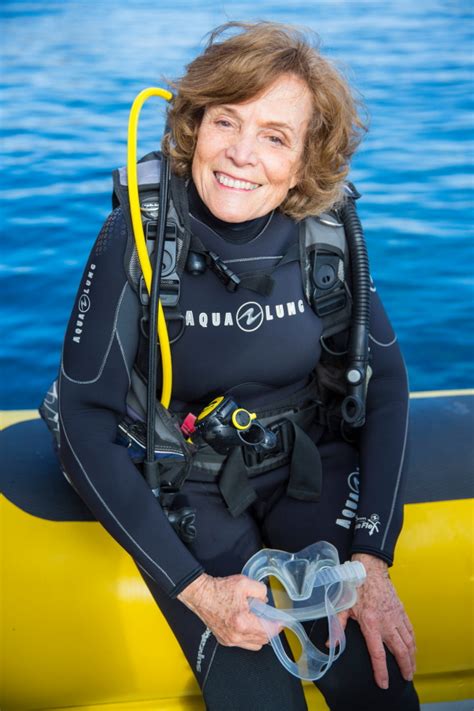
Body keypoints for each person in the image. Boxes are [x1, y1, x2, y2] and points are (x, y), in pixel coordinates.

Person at [54, 21, 419, 711]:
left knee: (376, 681)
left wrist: (372, 557)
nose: (242, 154)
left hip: (310, 465)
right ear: (194, 123)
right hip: (182, 485)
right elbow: (81, 423)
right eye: (227, 120)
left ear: (307, 159)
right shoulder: (139, 234)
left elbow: (388, 386)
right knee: (260, 696)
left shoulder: (326, 233)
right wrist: (197, 589)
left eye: (276, 136)